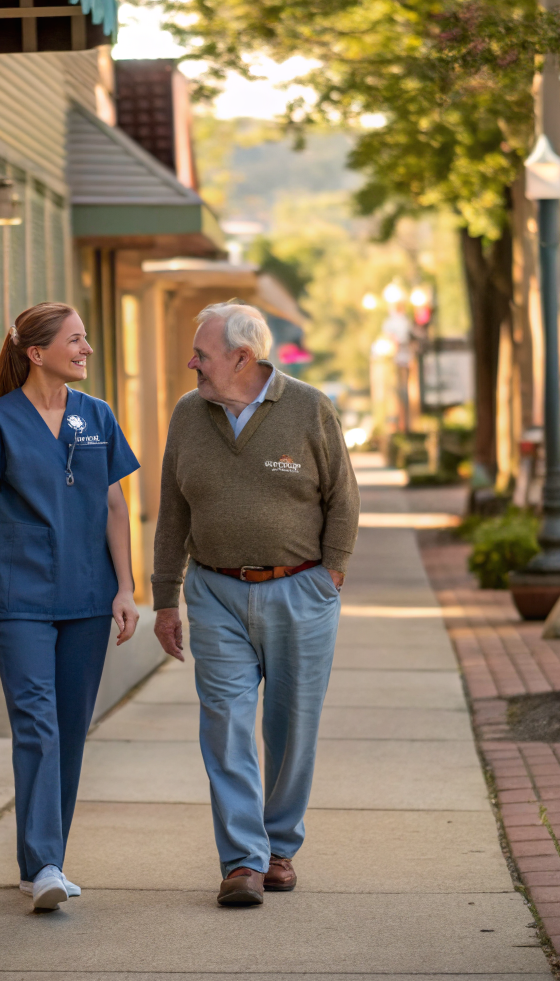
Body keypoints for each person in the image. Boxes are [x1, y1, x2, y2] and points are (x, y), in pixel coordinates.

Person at [151, 302, 360, 907]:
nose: (191, 363)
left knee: (292, 726)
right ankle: (243, 859)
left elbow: (343, 497)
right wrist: (166, 598)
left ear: (242, 357)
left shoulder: (309, 408)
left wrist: (330, 574)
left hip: (300, 589)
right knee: (225, 724)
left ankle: (280, 848)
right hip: (215, 590)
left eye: (202, 354)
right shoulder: (188, 414)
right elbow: (173, 512)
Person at [0, 301, 140, 912]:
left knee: (69, 730)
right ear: (37, 353)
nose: (87, 349)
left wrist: (125, 588)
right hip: (18, 598)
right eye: (75, 340)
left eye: (85, 339)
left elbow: (114, 506)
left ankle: (43, 860)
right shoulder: (0, 421)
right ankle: (44, 865)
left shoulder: (97, 416)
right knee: (37, 724)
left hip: (87, 597)